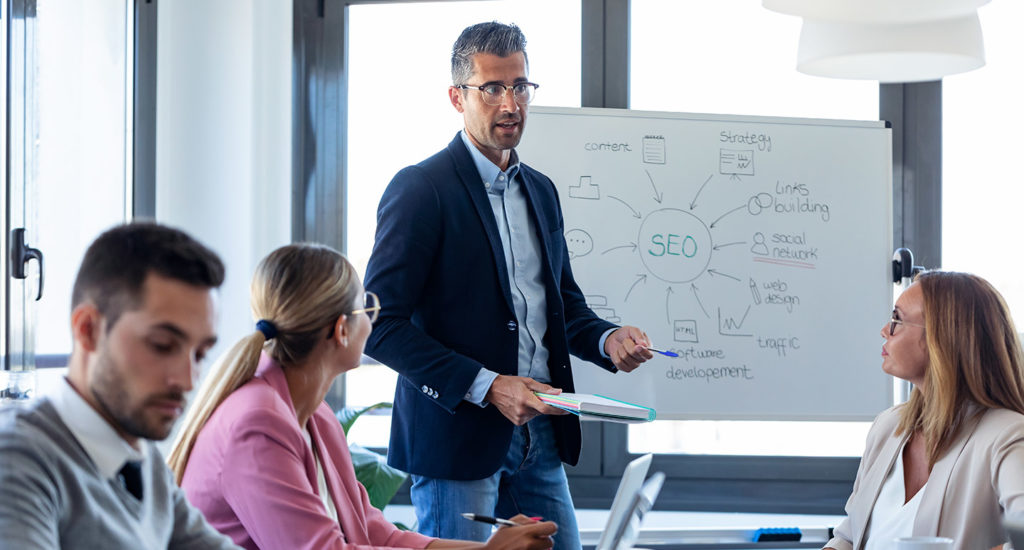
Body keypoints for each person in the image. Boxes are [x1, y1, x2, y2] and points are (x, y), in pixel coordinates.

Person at [363, 21, 654, 549]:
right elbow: (379, 327)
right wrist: (489, 386)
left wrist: (608, 340)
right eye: (492, 88)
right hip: (456, 444)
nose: (509, 103)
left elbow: (563, 307)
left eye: (520, 86)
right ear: (458, 98)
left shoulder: (540, 191)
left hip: (541, 435)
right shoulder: (420, 189)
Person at [169, 243, 557, 550]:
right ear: (341, 330)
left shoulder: (314, 415)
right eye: (367, 307)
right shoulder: (257, 423)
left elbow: (373, 531)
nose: (373, 320)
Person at [0, 222, 238, 549]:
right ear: (88, 330)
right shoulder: (18, 462)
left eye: (200, 354)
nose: (187, 380)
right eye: (162, 345)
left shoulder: (142, 458)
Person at [825, 271, 1024, 550]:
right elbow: (848, 537)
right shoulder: (888, 425)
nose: (885, 330)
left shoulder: (1007, 435)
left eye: (897, 320)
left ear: (942, 338)